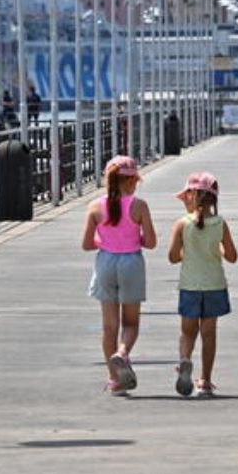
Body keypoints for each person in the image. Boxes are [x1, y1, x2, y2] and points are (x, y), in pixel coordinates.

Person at [81, 155, 157, 396]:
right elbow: (151, 242)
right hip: (131, 262)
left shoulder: (94, 206)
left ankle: (114, 380)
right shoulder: (139, 206)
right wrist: (135, 239)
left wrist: (105, 241)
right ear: (133, 180)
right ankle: (122, 353)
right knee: (131, 323)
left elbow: (86, 244)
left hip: (105, 262)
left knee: (109, 326)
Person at [168, 172, 237, 397]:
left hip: (190, 286)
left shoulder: (181, 224)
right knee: (209, 334)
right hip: (214, 285)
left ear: (191, 196)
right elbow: (232, 256)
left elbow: (173, 257)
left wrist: (185, 251)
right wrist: (217, 249)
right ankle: (205, 380)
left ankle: (185, 360)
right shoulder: (220, 224)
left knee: (187, 333)